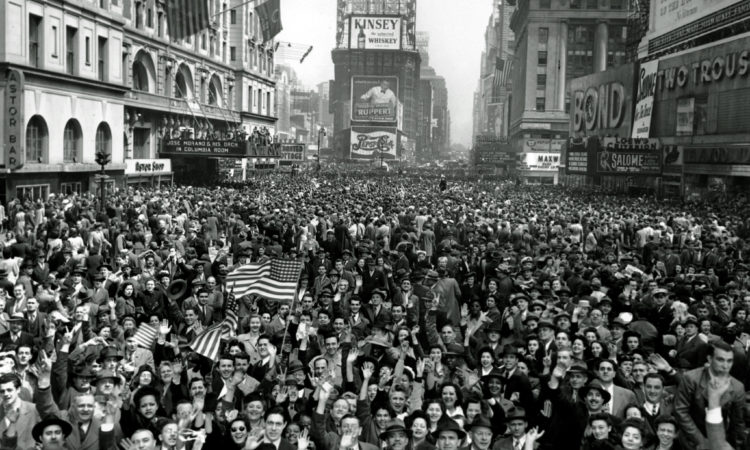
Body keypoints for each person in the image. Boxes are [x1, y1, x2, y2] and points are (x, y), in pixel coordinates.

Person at [674, 341, 745, 449]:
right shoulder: (691, 378)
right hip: (690, 441)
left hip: (720, 443)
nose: (726, 366)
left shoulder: (737, 387)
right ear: (710, 359)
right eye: (720, 360)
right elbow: (681, 411)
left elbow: (738, 424)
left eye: (729, 361)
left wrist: (734, 446)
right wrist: (701, 441)